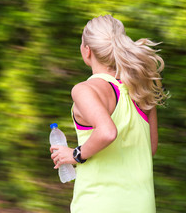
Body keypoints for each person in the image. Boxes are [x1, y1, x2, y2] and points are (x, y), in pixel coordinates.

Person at [50, 15, 168, 213]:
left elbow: (107, 132)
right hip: (142, 206)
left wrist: (74, 154)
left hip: (99, 204)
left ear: (86, 50)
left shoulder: (84, 90)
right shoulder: (140, 89)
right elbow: (150, 147)